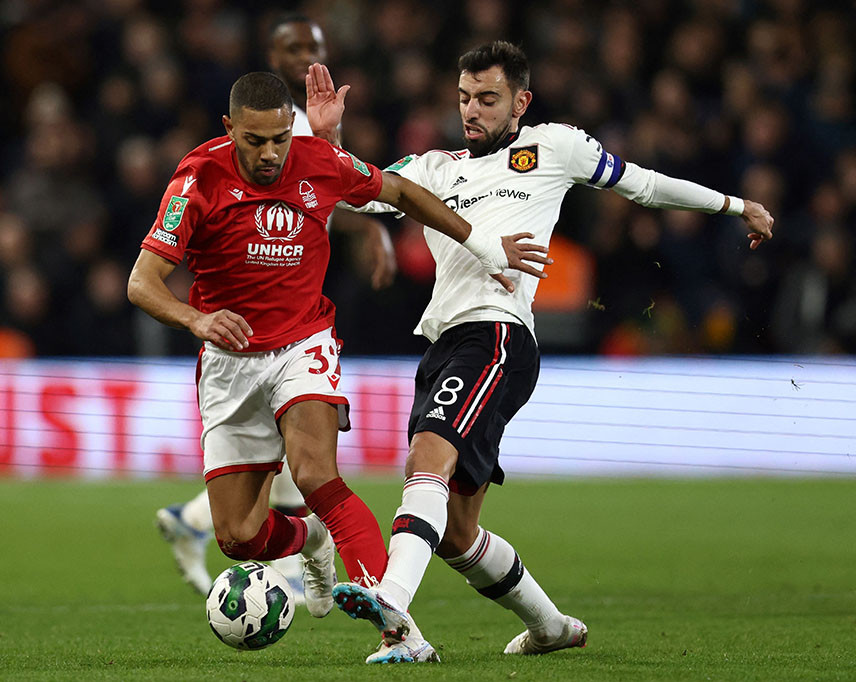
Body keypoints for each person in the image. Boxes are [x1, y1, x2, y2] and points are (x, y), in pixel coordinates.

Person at [305, 41, 775, 662]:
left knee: (428, 457)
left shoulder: (554, 147)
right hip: (445, 341)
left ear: (520, 101)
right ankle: (552, 627)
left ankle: (394, 601)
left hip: (498, 334)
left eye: (488, 99)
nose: (472, 110)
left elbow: (645, 186)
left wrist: (734, 204)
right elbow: (350, 193)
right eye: (465, 98)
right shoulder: (432, 168)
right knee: (456, 533)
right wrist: (326, 141)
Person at [127, 71, 545, 659]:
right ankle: (310, 537)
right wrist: (196, 320)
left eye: (280, 138)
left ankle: (399, 630)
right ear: (230, 130)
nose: (271, 153)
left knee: (316, 475)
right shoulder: (196, 180)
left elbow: (398, 192)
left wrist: (481, 243)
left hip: (304, 344)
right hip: (227, 360)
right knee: (237, 538)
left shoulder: (318, 161)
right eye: (255, 141)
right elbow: (141, 284)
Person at [153, 14, 396, 599]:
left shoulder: (313, 124)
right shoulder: (250, 130)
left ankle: (354, 586)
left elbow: (339, 182)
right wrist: (196, 314)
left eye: (314, 45)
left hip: (303, 313)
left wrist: (374, 230)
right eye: (293, 46)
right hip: (240, 318)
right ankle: (270, 537)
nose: (306, 54)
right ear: (271, 54)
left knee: (307, 463)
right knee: (251, 507)